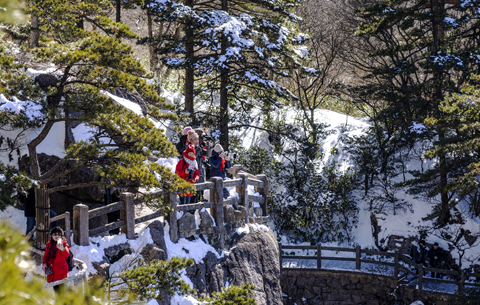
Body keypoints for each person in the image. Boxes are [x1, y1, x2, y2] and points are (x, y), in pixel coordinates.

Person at [42, 226, 70, 294]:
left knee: (62, 292)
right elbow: (45, 256)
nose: (57, 236)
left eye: (59, 234)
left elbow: (67, 254)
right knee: (56, 291)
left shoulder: (63, 244)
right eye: (55, 234)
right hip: (52, 272)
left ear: (61, 236)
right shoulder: (49, 245)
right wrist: (44, 263)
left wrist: (62, 249)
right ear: (51, 235)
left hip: (61, 272)